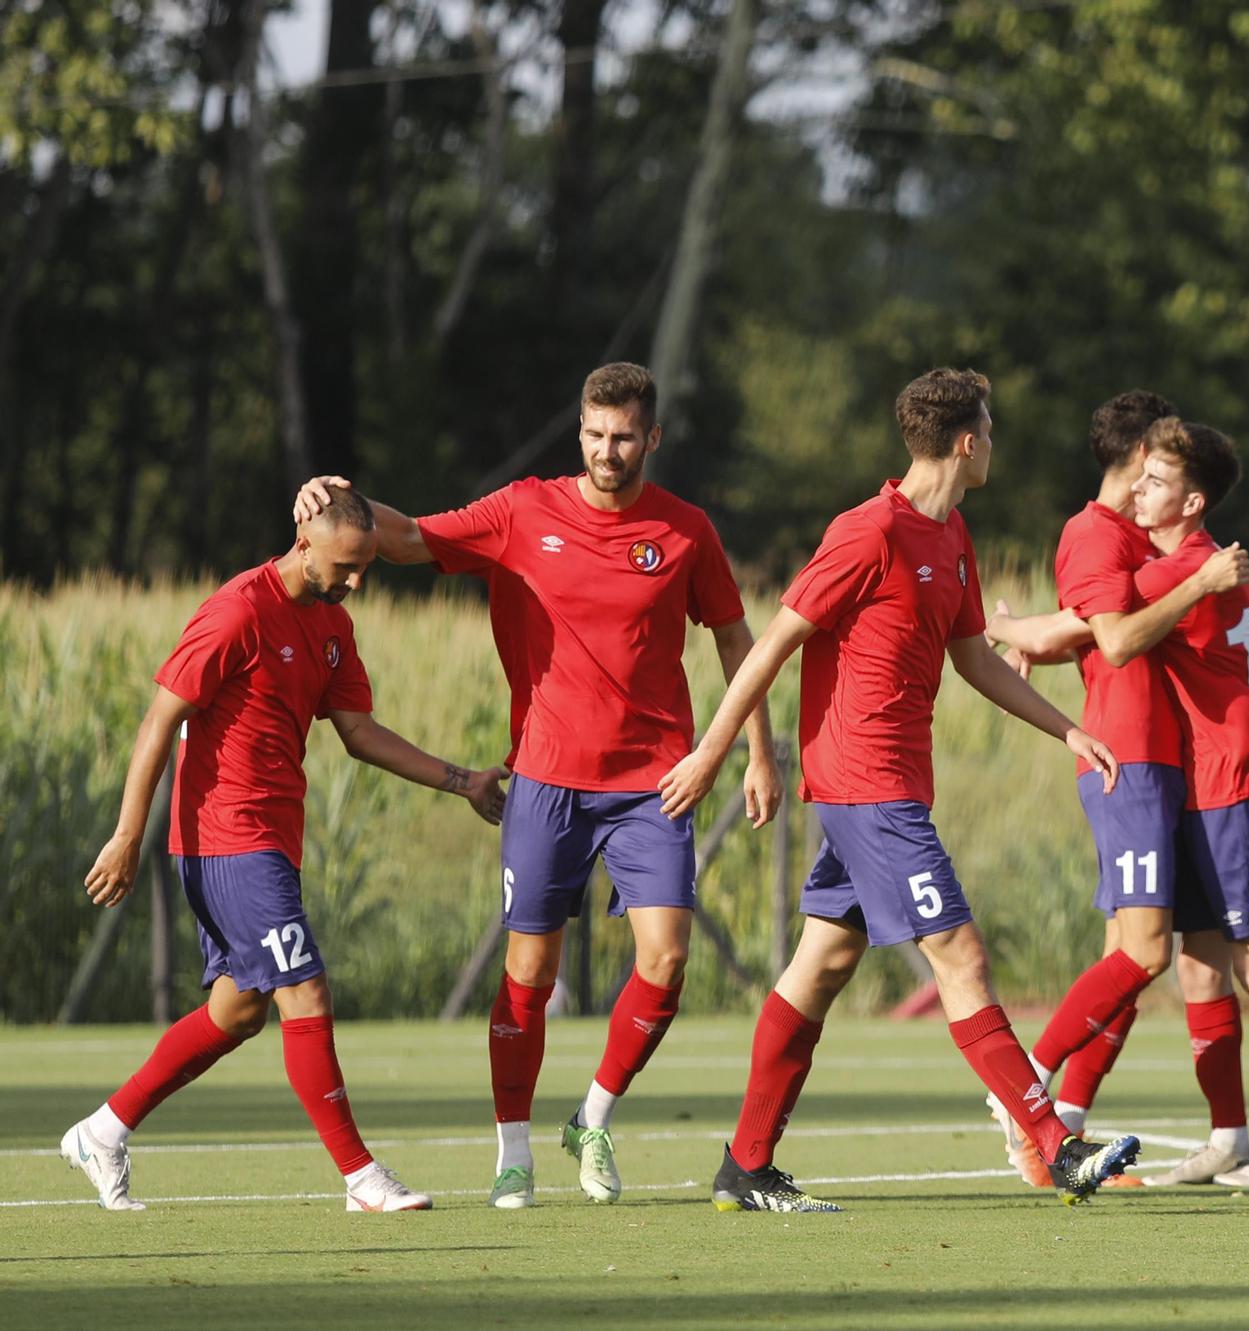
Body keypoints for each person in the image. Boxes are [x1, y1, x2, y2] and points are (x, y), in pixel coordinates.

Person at [294, 362, 778, 1209]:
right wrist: (341, 496)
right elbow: (408, 539)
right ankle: (512, 1150)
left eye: (623, 436)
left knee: (664, 961)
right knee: (529, 974)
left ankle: (591, 1117)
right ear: (578, 432)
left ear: (651, 437)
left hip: (651, 782)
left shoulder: (687, 531)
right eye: (594, 434)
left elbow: (739, 644)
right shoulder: (522, 511)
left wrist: (754, 752)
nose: (606, 450)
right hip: (547, 780)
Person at [658, 368, 1141, 1211]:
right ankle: (1057, 1145)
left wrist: (1066, 726)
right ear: (965, 441)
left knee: (822, 964)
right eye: (988, 430)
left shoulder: (952, 535)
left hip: (890, 788)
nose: (994, 443)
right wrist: (716, 753)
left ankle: (745, 1163)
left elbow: (976, 658)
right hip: (863, 784)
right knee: (961, 955)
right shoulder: (867, 530)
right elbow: (772, 642)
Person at [60, 488, 507, 1213]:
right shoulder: (237, 610)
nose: (357, 580)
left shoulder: (332, 622)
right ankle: (362, 1176)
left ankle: (103, 1130)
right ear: (303, 542)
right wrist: (125, 833)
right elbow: (158, 721)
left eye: (366, 567)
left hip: (273, 838)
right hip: (227, 837)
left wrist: (462, 781)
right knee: (306, 987)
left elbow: (361, 733)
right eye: (346, 564)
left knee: (238, 1013)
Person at [984, 397, 1249, 1189]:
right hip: (1203, 773)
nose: (1140, 493)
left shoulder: (1178, 561)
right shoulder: (1193, 558)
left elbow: (1094, 630)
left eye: (1157, 482)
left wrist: (1001, 627)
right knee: (1198, 963)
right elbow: (1242, 590)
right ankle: (1230, 1135)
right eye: (1142, 476)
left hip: (1233, 768)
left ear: (1190, 501)